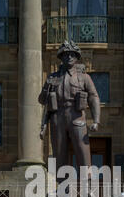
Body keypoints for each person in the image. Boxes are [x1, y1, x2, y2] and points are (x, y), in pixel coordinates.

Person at [38, 40, 100, 177]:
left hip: (76, 116)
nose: (69, 57)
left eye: (72, 54)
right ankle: (62, 187)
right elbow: (42, 101)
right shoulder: (53, 78)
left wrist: (96, 120)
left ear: (77, 57)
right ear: (61, 58)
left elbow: (93, 97)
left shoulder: (84, 78)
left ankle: (87, 187)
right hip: (57, 117)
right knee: (59, 153)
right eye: (66, 55)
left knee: (82, 152)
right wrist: (46, 88)